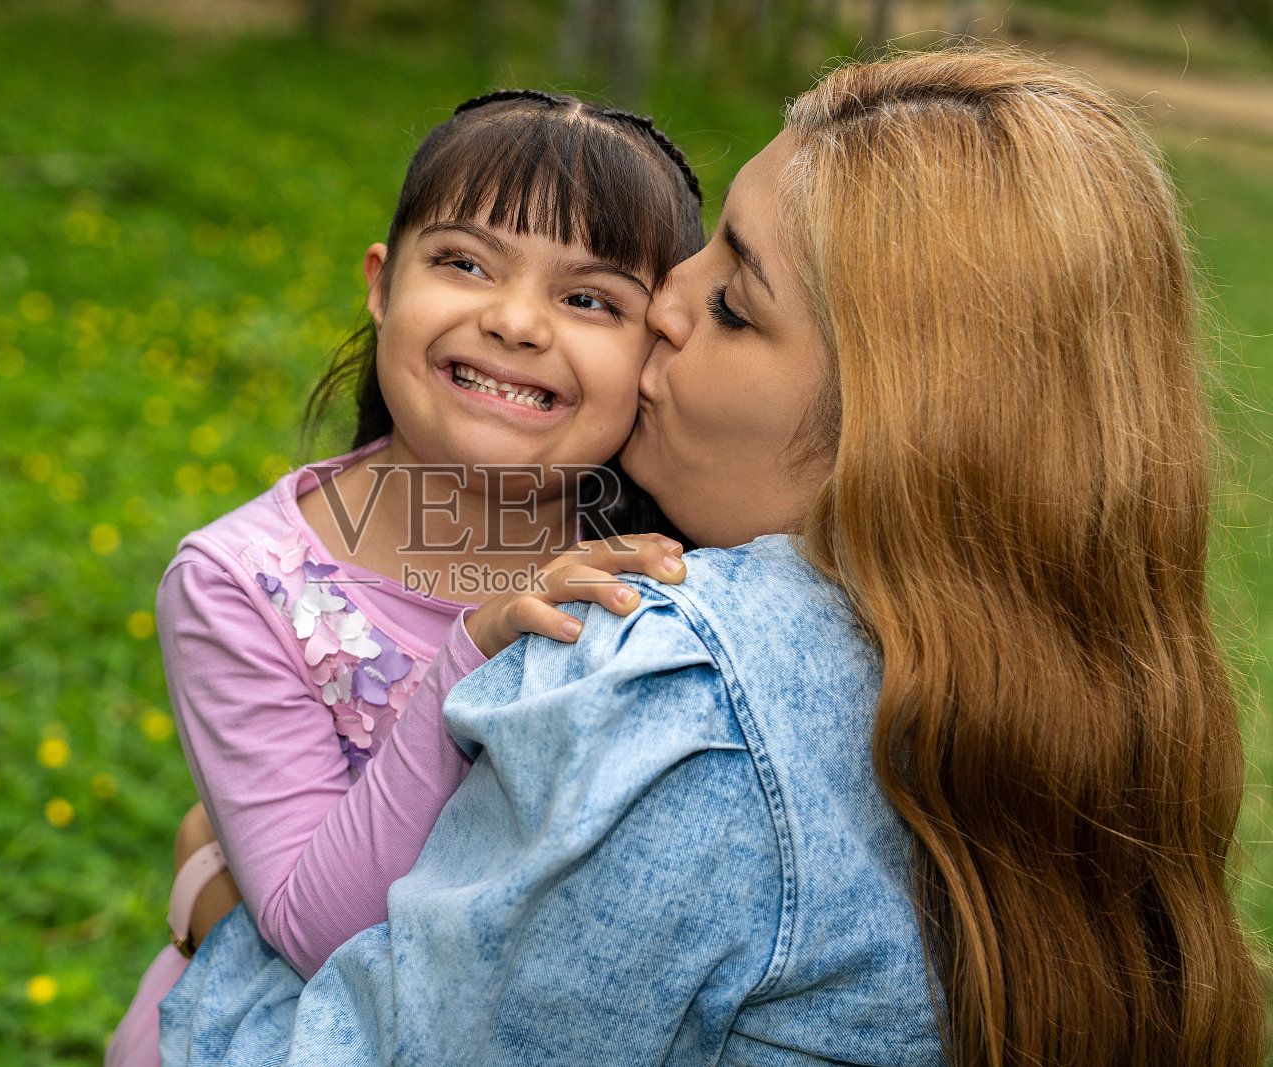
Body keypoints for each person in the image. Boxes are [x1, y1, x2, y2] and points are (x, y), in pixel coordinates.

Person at [156, 48, 1266, 1067]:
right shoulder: (1047, 690)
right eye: (704, 251)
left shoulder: (669, 682)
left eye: (730, 302)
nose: (663, 308)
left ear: (893, 427)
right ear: (381, 278)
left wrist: (214, 903)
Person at [105, 90, 703, 1066]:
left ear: (659, 349)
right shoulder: (242, 582)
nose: (514, 320)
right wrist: (475, 649)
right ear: (382, 285)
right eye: (464, 262)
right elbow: (318, 931)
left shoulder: (672, 553)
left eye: (588, 298)